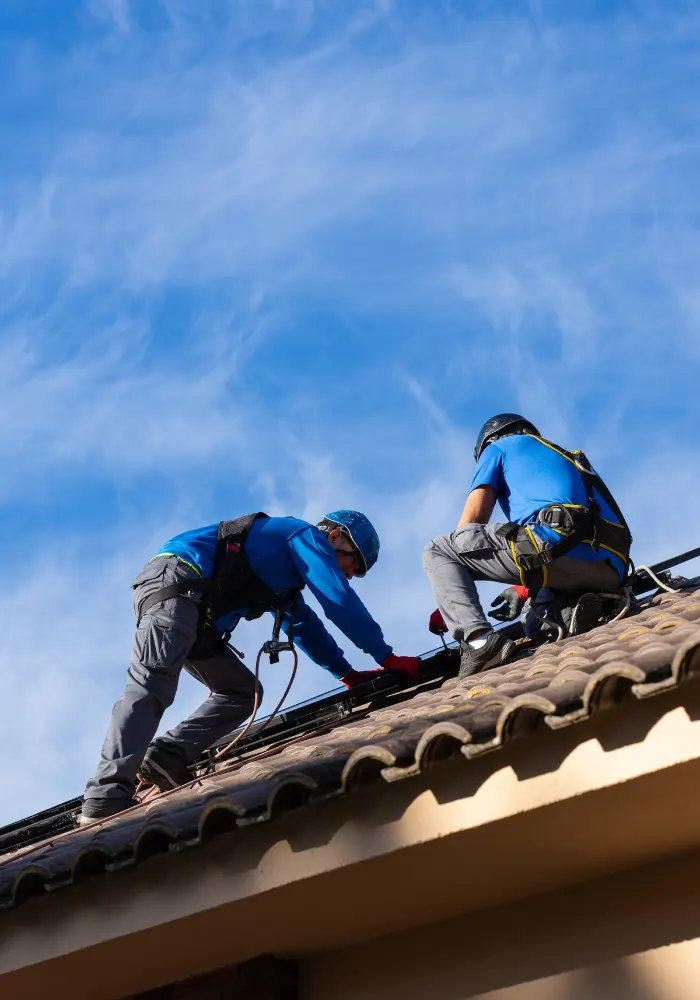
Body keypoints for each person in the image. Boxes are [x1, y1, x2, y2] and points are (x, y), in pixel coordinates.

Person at [80, 510, 420, 825]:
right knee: (151, 685)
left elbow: (303, 625)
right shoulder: (303, 536)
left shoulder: (281, 579)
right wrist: (386, 657)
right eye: (352, 564)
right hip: (177, 586)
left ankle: (168, 755)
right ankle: (105, 795)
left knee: (243, 693)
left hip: (198, 617)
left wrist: (346, 674)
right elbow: (338, 599)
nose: (349, 575)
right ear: (334, 538)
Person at [423, 414, 632, 678]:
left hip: (555, 542)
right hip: (611, 569)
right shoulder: (567, 458)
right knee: (533, 623)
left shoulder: (497, 448)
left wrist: (450, 602)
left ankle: (479, 644)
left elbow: (471, 523)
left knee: (438, 550)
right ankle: (573, 610)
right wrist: (523, 590)